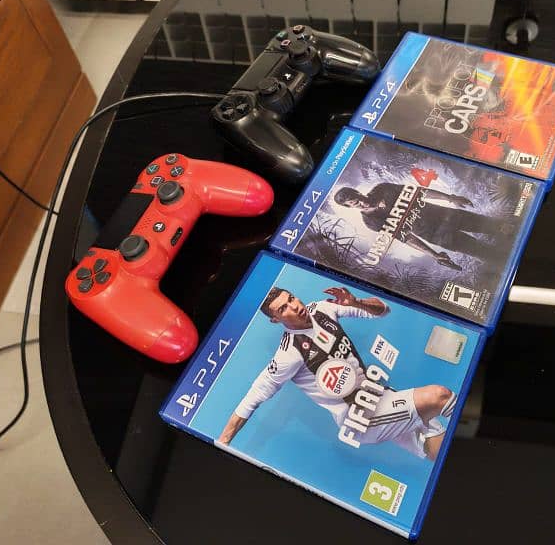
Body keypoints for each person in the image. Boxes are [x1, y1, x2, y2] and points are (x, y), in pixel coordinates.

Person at [218, 285, 456, 460]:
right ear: (275, 319)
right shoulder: (288, 354)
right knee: (439, 396)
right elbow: (252, 399)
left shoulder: (322, 309)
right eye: (284, 308)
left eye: (291, 298)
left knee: (435, 444)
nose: (295, 307)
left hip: (381, 395)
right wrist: (222, 443)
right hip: (360, 419)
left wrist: (356, 302)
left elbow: (382, 310)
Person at [333, 183, 512, 269]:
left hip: (449, 216)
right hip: (439, 236)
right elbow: (406, 237)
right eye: (354, 204)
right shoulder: (370, 221)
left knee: (498, 227)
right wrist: (434, 255)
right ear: (350, 207)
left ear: (358, 191)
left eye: (357, 198)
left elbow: (420, 193)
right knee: (486, 253)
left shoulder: (382, 188)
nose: (360, 203)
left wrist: (450, 198)